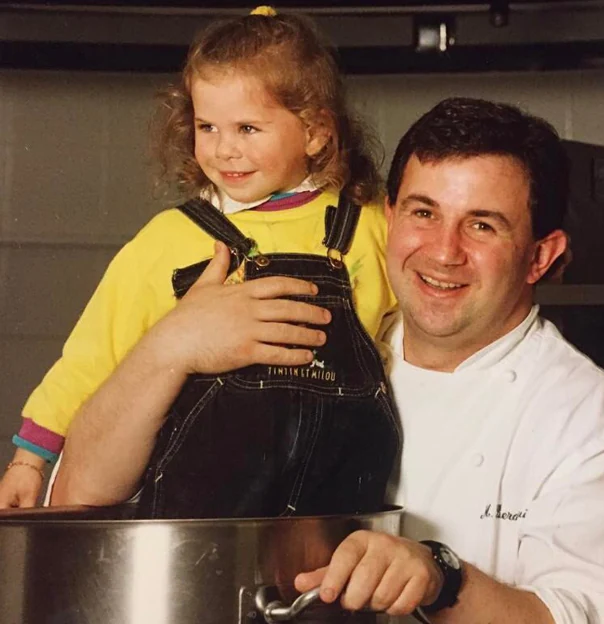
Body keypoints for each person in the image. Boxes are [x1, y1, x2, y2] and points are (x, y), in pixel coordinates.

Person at [0, 6, 400, 516]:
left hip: (338, 519)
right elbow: (90, 358)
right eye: (207, 126)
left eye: (248, 129)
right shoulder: (169, 238)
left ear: (317, 131)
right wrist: (29, 462)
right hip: (196, 521)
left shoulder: (371, 225)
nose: (224, 149)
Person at [294, 98, 604, 622]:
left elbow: (584, 613)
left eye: (482, 226)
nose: (443, 252)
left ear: (540, 255)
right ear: (390, 218)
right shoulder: (324, 354)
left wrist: (441, 579)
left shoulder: (589, 421)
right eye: (424, 213)